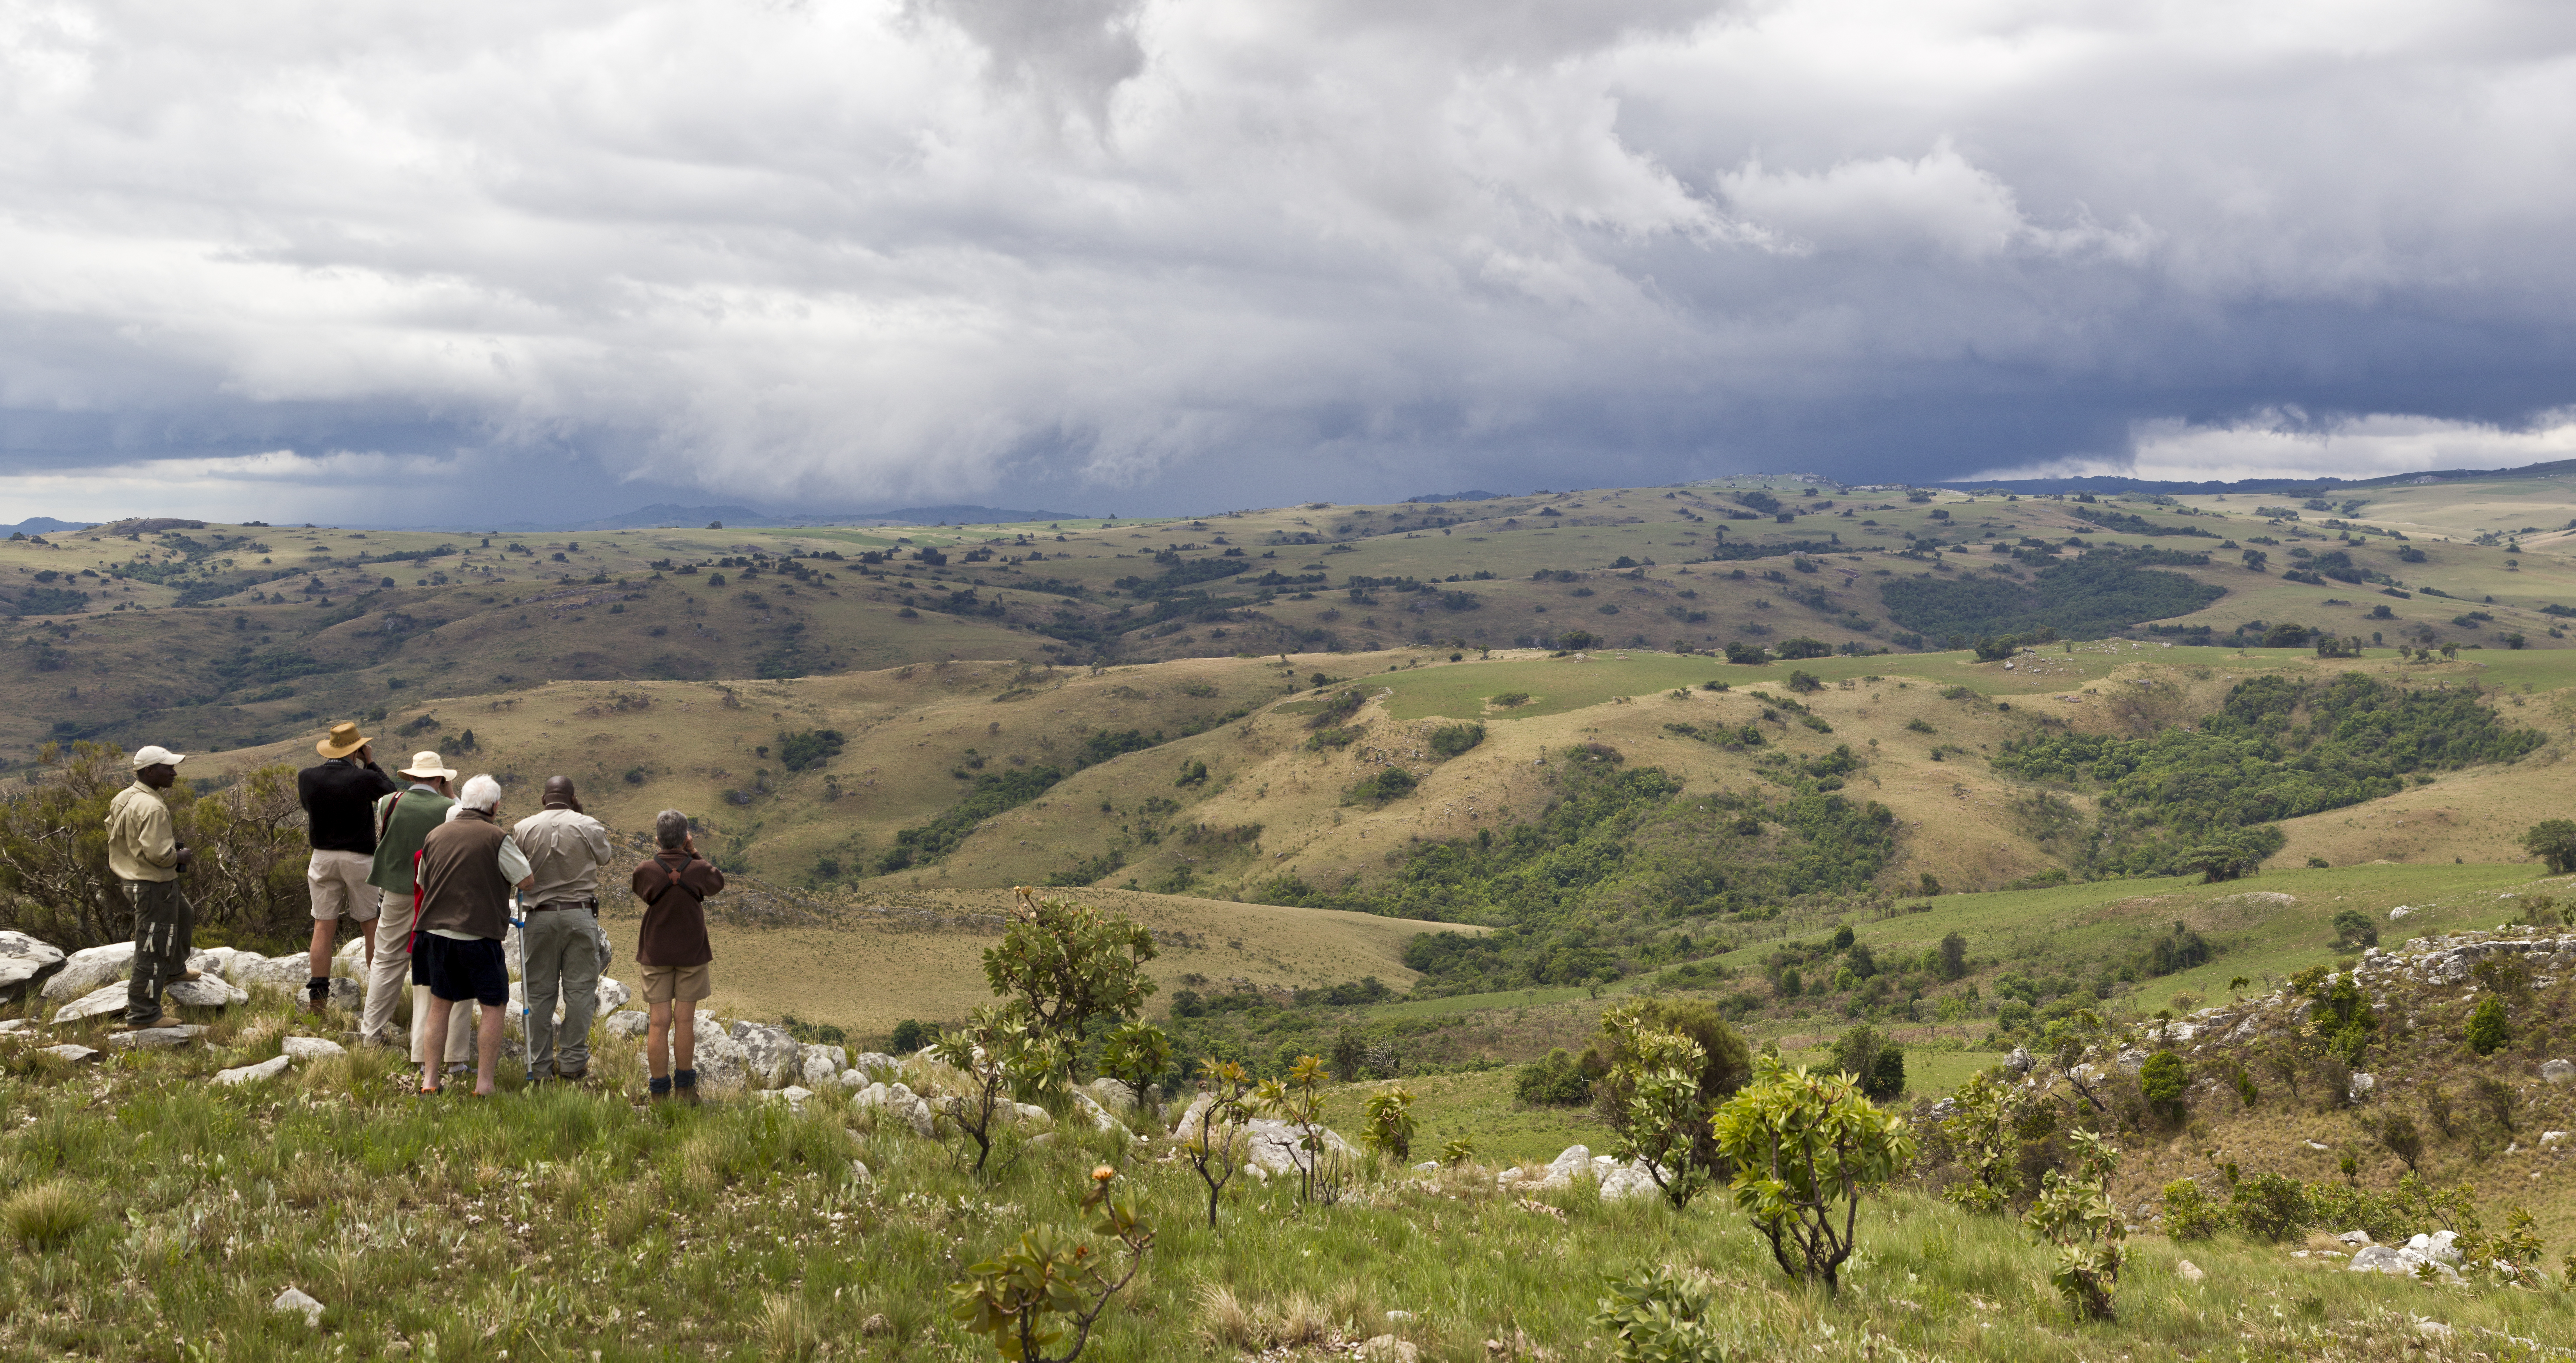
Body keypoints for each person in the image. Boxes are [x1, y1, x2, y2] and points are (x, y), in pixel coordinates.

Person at [410, 774, 532, 1096]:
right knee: (494, 1005)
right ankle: (485, 1085)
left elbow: (423, 879)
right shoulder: (497, 837)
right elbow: (526, 880)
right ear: (495, 806)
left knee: (440, 1004)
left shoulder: (435, 835)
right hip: (478, 934)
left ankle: (430, 1081)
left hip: (434, 932)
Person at [363, 752, 472, 1066]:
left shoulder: (389, 802)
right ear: (440, 778)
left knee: (386, 961)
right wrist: (451, 792)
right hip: (435, 894)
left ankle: (371, 1032)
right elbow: (470, 819)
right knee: (434, 967)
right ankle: (434, 1045)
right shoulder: (450, 809)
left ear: (411, 777)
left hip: (397, 891)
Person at [512, 776, 614, 1083]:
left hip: (539, 917)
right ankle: (572, 1063)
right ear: (573, 798)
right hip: (580, 915)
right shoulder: (588, 824)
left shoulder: (523, 828)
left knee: (540, 996)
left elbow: (513, 867)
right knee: (581, 993)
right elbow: (605, 857)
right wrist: (580, 814)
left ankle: (540, 1069)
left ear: (544, 799)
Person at [296, 722, 398, 1015]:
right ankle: (379, 998)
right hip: (358, 857)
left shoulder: (307, 777)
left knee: (323, 925)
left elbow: (308, 807)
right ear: (356, 749)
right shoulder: (363, 778)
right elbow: (390, 795)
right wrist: (372, 762)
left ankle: (318, 998)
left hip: (322, 856)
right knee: (370, 924)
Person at [105, 744, 200, 1031]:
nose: (174, 773)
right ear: (149, 771)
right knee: (153, 946)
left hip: (135, 878)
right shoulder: (153, 806)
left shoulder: (124, 797)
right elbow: (160, 854)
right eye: (167, 768)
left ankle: (174, 969)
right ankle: (144, 1015)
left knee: (185, 914)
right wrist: (179, 857)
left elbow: (112, 828)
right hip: (153, 884)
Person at [631, 809, 723, 1103]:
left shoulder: (645, 869)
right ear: (685, 838)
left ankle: (659, 1094)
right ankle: (685, 1091)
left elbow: (641, 890)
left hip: (655, 952)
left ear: (657, 838)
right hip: (692, 954)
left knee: (659, 1022)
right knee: (685, 1021)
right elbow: (717, 883)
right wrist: (693, 852)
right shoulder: (698, 869)